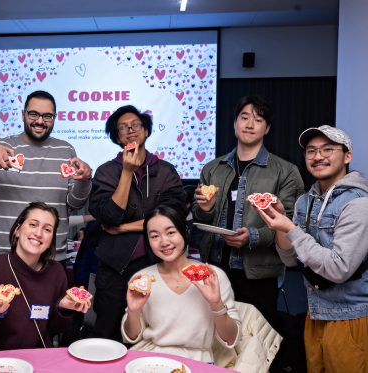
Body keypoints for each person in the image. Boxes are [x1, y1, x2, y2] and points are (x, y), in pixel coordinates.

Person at [255, 125, 368, 373]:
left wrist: (292, 229)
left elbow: (339, 269)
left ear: (347, 156)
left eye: (328, 149)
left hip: (350, 316)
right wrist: (281, 223)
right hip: (315, 314)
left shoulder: (358, 203)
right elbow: (291, 260)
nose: (318, 156)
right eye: (311, 151)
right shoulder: (305, 201)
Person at [192, 95, 304, 326]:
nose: (250, 124)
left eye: (258, 120)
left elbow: (291, 224)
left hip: (258, 273)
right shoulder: (213, 168)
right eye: (244, 117)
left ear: (267, 128)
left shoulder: (285, 171)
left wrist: (253, 236)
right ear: (234, 123)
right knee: (213, 334)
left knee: (257, 342)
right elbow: (201, 218)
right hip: (216, 267)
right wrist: (204, 209)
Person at [0, 90, 92, 260]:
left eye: (47, 116)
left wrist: (85, 181)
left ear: (54, 118)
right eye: (33, 114)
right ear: (23, 115)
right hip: (3, 256)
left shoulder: (65, 150)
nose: (40, 121)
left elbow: (74, 203)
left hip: (51, 258)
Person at [89, 105, 186, 341]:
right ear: (117, 136)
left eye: (135, 125)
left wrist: (124, 227)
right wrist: (126, 172)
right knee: (107, 334)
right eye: (123, 127)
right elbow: (110, 216)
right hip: (115, 269)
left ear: (145, 131)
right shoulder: (105, 172)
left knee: (155, 334)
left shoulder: (165, 172)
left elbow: (172, 218)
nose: (130, 130)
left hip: (158, 265)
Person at [0, 202, 90, 355]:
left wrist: (63, 309)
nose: (38, 233)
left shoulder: (56, 272)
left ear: (51, 240)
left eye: (47, 229)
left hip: (38, 359)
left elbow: (56, 329)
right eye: (33, 224)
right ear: (18, 230)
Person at [122, 206, 240, 363]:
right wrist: (133, 311)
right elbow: (131, 337)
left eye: (171, 232)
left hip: (199, 361)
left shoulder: (212, 276)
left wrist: (216, 303)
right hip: (151, 358)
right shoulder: (143, 279)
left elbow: (231, 339)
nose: (164, 242)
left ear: (185, 231)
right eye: (155, 236)